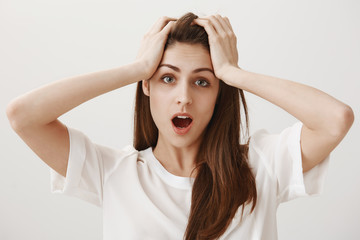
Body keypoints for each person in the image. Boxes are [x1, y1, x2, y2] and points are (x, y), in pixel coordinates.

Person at [6, 12, 353, 240]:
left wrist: (233, 73)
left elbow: (335, 119)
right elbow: (23, 115)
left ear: (220, 93)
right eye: (168, 78)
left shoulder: (262, 166)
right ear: (148, 86)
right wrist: (138, 67)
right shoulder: (113, 173)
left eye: (202, 82)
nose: (183, 98)